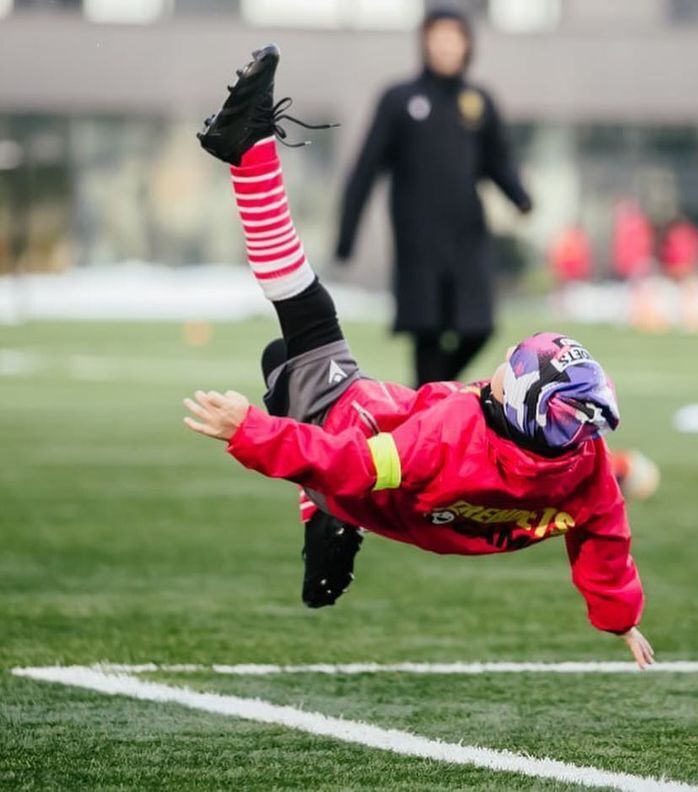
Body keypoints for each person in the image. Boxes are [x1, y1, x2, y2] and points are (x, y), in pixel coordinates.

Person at [189, 45, 653, 667]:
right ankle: (325, 518)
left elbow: (350, 464)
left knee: (298, 325)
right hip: (419, 506)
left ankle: (247, 152)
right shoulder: (583, 463)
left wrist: (249, 432)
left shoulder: (451, 434)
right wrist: (619, 620)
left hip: (367, 450)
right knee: (291, 351)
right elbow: (607, 538)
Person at [335, 8, 532, 387]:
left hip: (467, 235)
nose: (445, 47)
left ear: (467, 46)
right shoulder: (399, 99)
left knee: (479, 326)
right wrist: (346, 237)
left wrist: (520, 197)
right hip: (418, 240)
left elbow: (497, 161)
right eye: (437, 37)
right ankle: (428, 407)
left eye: (453, 38)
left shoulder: (478, 102)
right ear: (424, 43)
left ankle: (425, 397)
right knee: (427, 331)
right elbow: (365, 170)